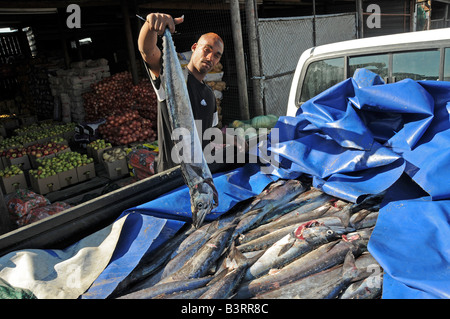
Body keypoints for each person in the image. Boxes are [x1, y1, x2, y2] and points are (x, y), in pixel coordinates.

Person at [138, 13, 226, 173]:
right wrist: (150, 25)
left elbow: (211, 135)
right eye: (207, 50)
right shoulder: (170, 79)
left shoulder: (210, 94)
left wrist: (235, 141)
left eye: (216, 55)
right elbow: (147, 51)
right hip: (172, 177)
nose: (210, 57)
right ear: (194, 48)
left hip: (202, 173)